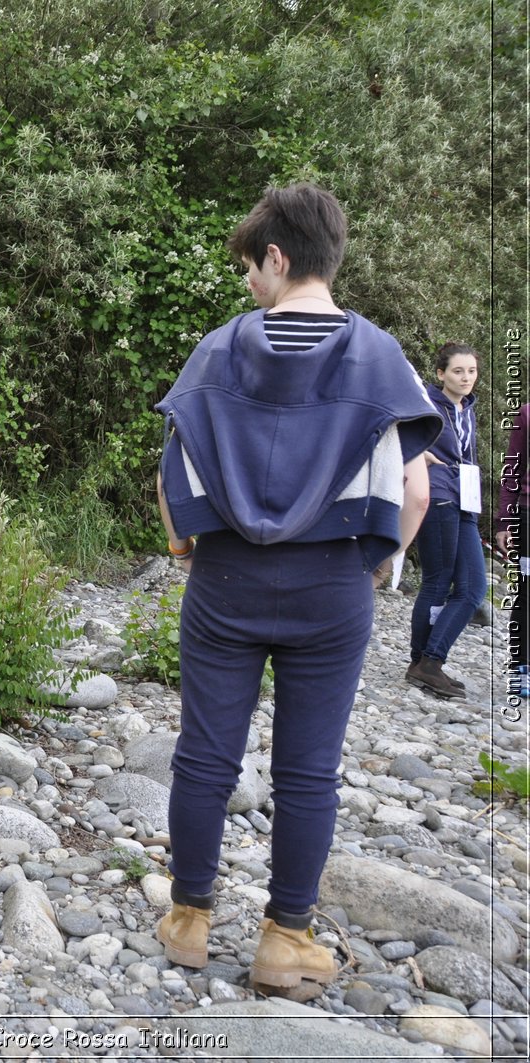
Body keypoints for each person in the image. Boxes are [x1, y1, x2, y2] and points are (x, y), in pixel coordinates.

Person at [153, 183, 440, 999]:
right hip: (332, 583)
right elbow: (415, 495)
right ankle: (284, 940)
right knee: (309, 771)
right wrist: (375, 567)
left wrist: (185, 550)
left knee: (206, 755)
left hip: (226, 578)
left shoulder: (218, 349)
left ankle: (189, 923)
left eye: (251, 267)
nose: (249, 283)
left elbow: (173, 475)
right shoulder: (382, 355)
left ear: (278, 258)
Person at [405, 342, 488, 699]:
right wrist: (416, 451)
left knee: (472, 588)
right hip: (437, 495)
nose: (466, 377)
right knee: (437, 581)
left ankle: (427, 661)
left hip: (465, 500)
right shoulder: (424, 401)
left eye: (471, 371)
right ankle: (425, 663)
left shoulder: (466, 408)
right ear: (441, 374)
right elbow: (387, 424)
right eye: (458, 371)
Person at [497, 402, 529, 698]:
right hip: (528, 517)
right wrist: (505, 523)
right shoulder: (527, 414)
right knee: (526, 595)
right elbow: (512, 472)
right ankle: (522, 667)